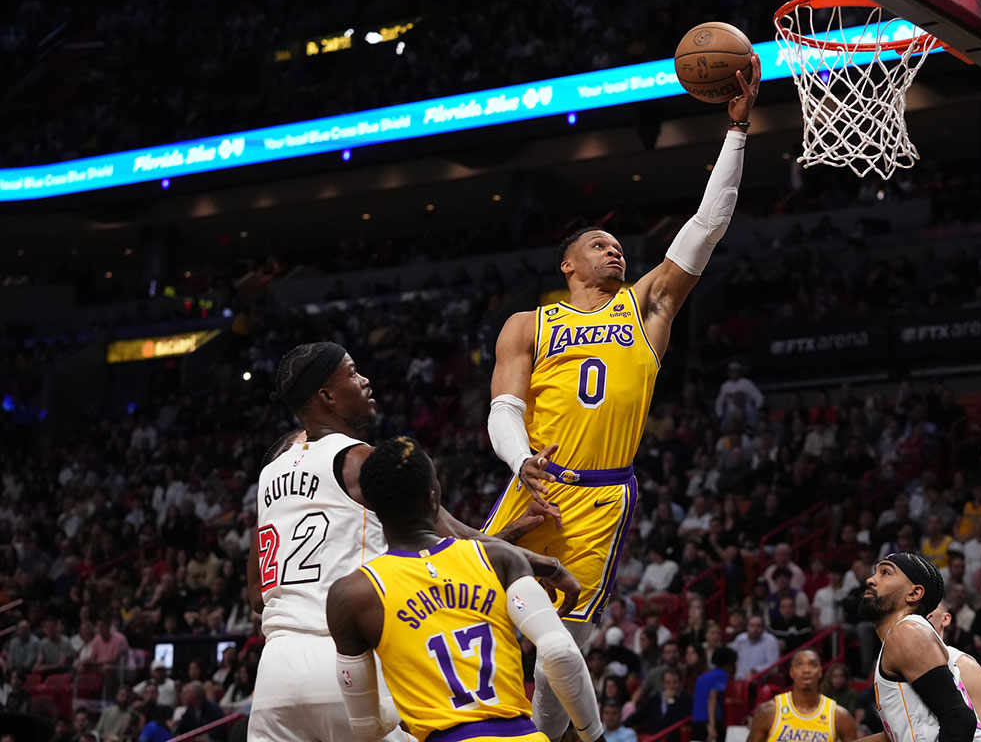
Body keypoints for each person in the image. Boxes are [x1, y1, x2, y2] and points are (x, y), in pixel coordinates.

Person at [483, 59, 760, 742]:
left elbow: (704, 226)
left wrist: (737, 130)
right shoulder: (529, 324)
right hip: (532, 483)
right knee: (468, 613)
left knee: (563, 645)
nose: (614, 252)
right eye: (597, 245)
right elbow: (504, 412)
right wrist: (521, 462)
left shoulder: (647, 309)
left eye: (616, 245)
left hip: (601, 498)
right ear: (568, 266)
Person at [249, 344, 577, 742]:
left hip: (274, 677)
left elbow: (256, 594)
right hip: (345, 663)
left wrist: (507, 538)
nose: (365, 380)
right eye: (352, 374)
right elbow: (455, 538)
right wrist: (545, 566)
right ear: (327, 396)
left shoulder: (270, 475)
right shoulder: (363, 462)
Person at [326, 436, 603, 742]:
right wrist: (594, 737)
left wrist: (403, 706)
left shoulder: (354, 594)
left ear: (371, 506)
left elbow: (366, 728)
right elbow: (560, 653)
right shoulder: (498, 558)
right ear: (434, 499)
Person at [856, 552, 981, 742]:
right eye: (875, 572)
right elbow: (895, 736)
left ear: (914, 593)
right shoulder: (904, 638)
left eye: (885, 573)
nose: (871, 580)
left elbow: (959, 719)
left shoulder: (906, 632)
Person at [927, 599, 981, 741]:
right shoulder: (895, 668)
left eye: (929, 609)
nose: (921, 614)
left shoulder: (965, 667)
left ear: (945, 619)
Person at [745, 649, 857, 742]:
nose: (806, 670)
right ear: (791, 672)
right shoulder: (768, 712)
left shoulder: (840, 716)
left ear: (820, 672)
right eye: (799, 665)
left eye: (812, 665)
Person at [691, 647, 736, 742]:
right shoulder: (722, 675)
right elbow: (712, 698)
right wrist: (712, 726)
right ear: (730, 663)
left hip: (696, 722)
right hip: (711, 722)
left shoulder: (702, 677)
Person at [730, 615, 781, 680]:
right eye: (752, 625)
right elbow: (729, 652)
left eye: (758, 626)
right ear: (747, 627)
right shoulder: (740, 639)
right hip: (739, 680)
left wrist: (756, 670)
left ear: (763, 628)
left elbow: (774, 666)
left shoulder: (771, 641)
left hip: (759, 682)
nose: (755, 629)